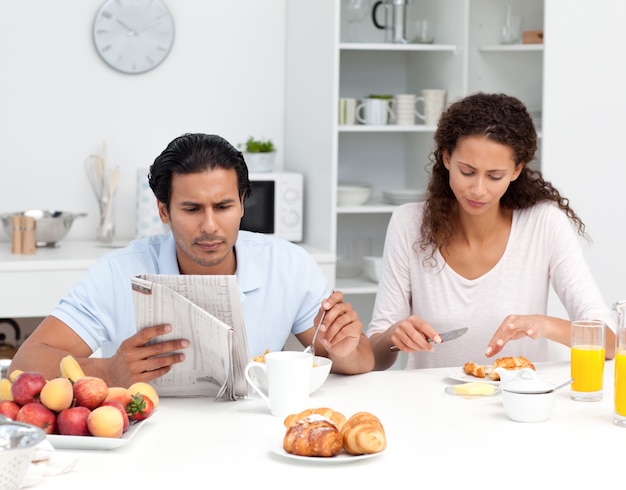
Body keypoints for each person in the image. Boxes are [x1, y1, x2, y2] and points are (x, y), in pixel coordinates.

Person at [10, 133, 374, 386]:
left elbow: (361, 360)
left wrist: (345, 350)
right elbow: (26, 363)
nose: (210, 226)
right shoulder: (117, 272)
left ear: (243, 203)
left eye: (223, 206)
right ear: (164, 211)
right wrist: (108, 371)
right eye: (191, 208)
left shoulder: (289, 266)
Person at [367, 92, 615, 371]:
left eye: (495, 176)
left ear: (516, 170)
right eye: (467, 171)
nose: (478, 189)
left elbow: (607, 341)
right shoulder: (408, 224)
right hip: (430, 405)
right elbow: (375, 356)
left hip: (515, 407)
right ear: (447, 158)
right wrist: (393, 336)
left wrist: (542, 324)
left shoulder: (544, 224)